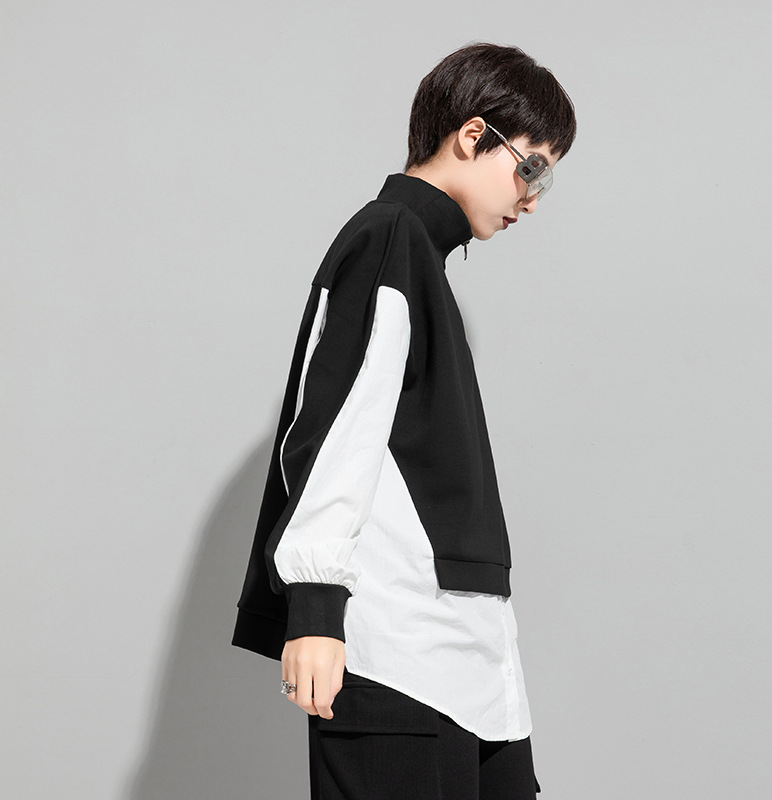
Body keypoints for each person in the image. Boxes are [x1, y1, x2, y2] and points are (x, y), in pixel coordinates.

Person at [232, 41, 577, 799]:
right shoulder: (389, 238)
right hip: (397, 658)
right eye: (532, 168)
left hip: (467, 658)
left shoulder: (418, 256)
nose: (532, 199)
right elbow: (336, 426)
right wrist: (315, 607)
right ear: (473, 136)